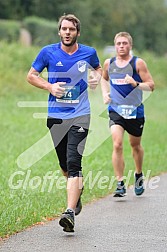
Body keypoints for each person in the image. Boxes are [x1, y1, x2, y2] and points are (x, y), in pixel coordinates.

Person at [27, 14, 102, 232]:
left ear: (78, 32)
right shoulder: (48, 52)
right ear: (59, 31)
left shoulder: (89, 52)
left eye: (72, 29)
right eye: (64, 29)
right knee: (64, 165)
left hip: (80, 115)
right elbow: (31, 75)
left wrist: (96, 77)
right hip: (56, 116)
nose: (67, 32)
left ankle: (69, 212)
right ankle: (76, 193)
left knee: (73, 162)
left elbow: (98, 69)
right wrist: (49, 87)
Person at [101, 32, 154, 197]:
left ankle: (138, 174)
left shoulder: (138, 63)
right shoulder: (109, 63)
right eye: (118, 43)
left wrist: (136, 83)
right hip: (116, 110)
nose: (121, 46)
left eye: (124, 43)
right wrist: (105, 93)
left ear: (130, 45)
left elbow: (151, 85)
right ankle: (120, 183)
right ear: (115, 45)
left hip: (135, 111)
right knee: (117, 144)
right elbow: (104, 79)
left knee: (135, 145)